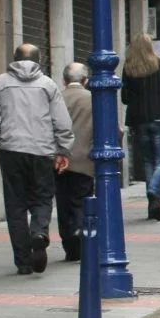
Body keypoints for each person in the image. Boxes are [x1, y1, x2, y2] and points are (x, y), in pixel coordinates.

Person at [0, 43, 72, 275]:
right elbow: (61, 120)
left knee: (15, 205)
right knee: (43, 197)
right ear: (38, 60)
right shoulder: (48, 84)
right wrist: (63, 149)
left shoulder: (1, 83)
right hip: (42, 150)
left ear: (14, 59)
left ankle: (23, 262)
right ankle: (39, 232)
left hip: (11, 150)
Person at [121, 33, 160, 222]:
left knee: (148, 161)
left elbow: (125, 98)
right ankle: (154, 190)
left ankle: (153, 206)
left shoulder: (129, 68)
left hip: (139, 120)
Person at [55, 63, 95, 262]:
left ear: (64, 80)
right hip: (85, 160)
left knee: (63, 203)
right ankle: (80, 231)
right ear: (85, 80)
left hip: (59, 160)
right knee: (82, 200)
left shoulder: (56, 98)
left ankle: (69, 245)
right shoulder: (93, 99)